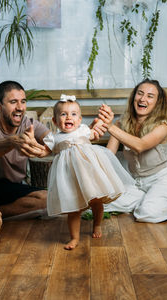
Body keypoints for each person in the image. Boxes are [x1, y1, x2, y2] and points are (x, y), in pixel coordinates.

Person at [0, 81, 108, 257]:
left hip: (11, 185)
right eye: (13, 102)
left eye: (23, 101)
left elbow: (58, 140)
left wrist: (85, 132)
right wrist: (12, 141)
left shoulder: (31, 124)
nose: (20, 107)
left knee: (49, 200)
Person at [36, 94, 134, 250]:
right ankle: (74, 238)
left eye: (74, 114)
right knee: (73, 208)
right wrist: (32, 148)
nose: (69, 117)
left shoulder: (83, 130)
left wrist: (101, 119)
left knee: (96, 201)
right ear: (55, 121)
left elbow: (95, 134)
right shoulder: (53, 138)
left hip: (88, 174)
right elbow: (43, 152)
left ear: (80, 119)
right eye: (63, 114)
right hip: (69, 177)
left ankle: (97, 225)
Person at [99, 78, 167, 223]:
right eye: (140, 93)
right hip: (136, 183)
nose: (143, 99)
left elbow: (140, 145)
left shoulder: (163, 126)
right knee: (102, 204)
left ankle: (152, 201)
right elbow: (108, 156)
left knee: (145, 214)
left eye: (150, 96)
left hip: (162, 179)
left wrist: (110, 126)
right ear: (134, 97)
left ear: (158, 103)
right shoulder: (121, 123)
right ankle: (149, 199)